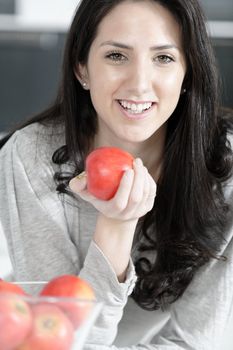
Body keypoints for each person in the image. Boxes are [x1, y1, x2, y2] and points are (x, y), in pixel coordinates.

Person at [0, 0, 233, 349]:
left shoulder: (224, 166)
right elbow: (66, 341)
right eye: (116, 56)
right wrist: (117, 226)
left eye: (164, 58)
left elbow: (195, 342)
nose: (139, 85)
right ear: (82, 68)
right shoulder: (30, 156)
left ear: (188, 73)